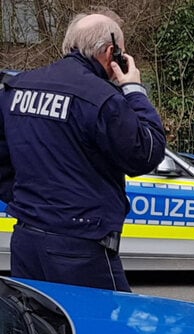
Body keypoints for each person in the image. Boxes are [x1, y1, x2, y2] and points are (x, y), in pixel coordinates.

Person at [0, 10, 166, 292]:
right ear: (112, 54)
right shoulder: (101, 98)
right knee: (106, 330)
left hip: (27, 239)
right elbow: (146, 153)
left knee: (39, 330)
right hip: (80, 245)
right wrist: (134, 89)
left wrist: (33, 202)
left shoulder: (16, 88)